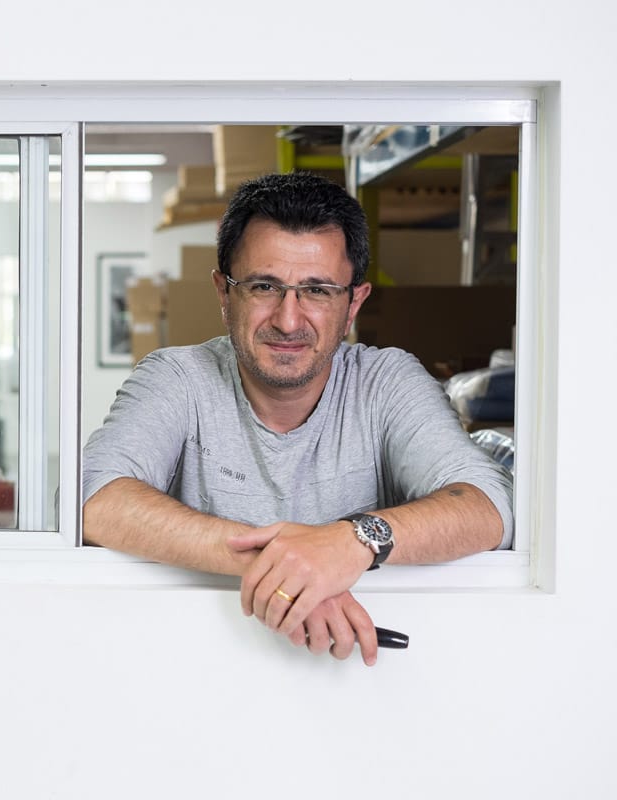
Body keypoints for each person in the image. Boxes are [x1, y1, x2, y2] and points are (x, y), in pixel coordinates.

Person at [82, 172, 513, 666]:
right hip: (199, 669)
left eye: (318, 291)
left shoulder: (386, 381)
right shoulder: (178, 378)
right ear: (224, 294)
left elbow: (489, 506)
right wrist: (298, 566)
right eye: (265, 286)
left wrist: (350, 543)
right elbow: (92, 498)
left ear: (354, 303)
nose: (288, 320)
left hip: (359, 682)